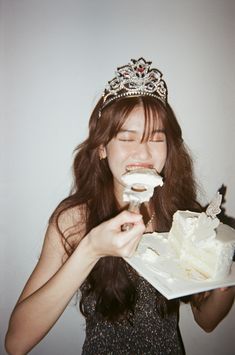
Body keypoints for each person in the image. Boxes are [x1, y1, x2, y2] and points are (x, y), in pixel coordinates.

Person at [5, 58, 235, 355]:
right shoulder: (75, 220)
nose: (143, 151)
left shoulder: (182, 218)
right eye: (126, 137)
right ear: (102, 148)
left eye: (156, 137)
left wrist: (225, 280)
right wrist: (91, 249)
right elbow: (16, 342)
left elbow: (206, 320)